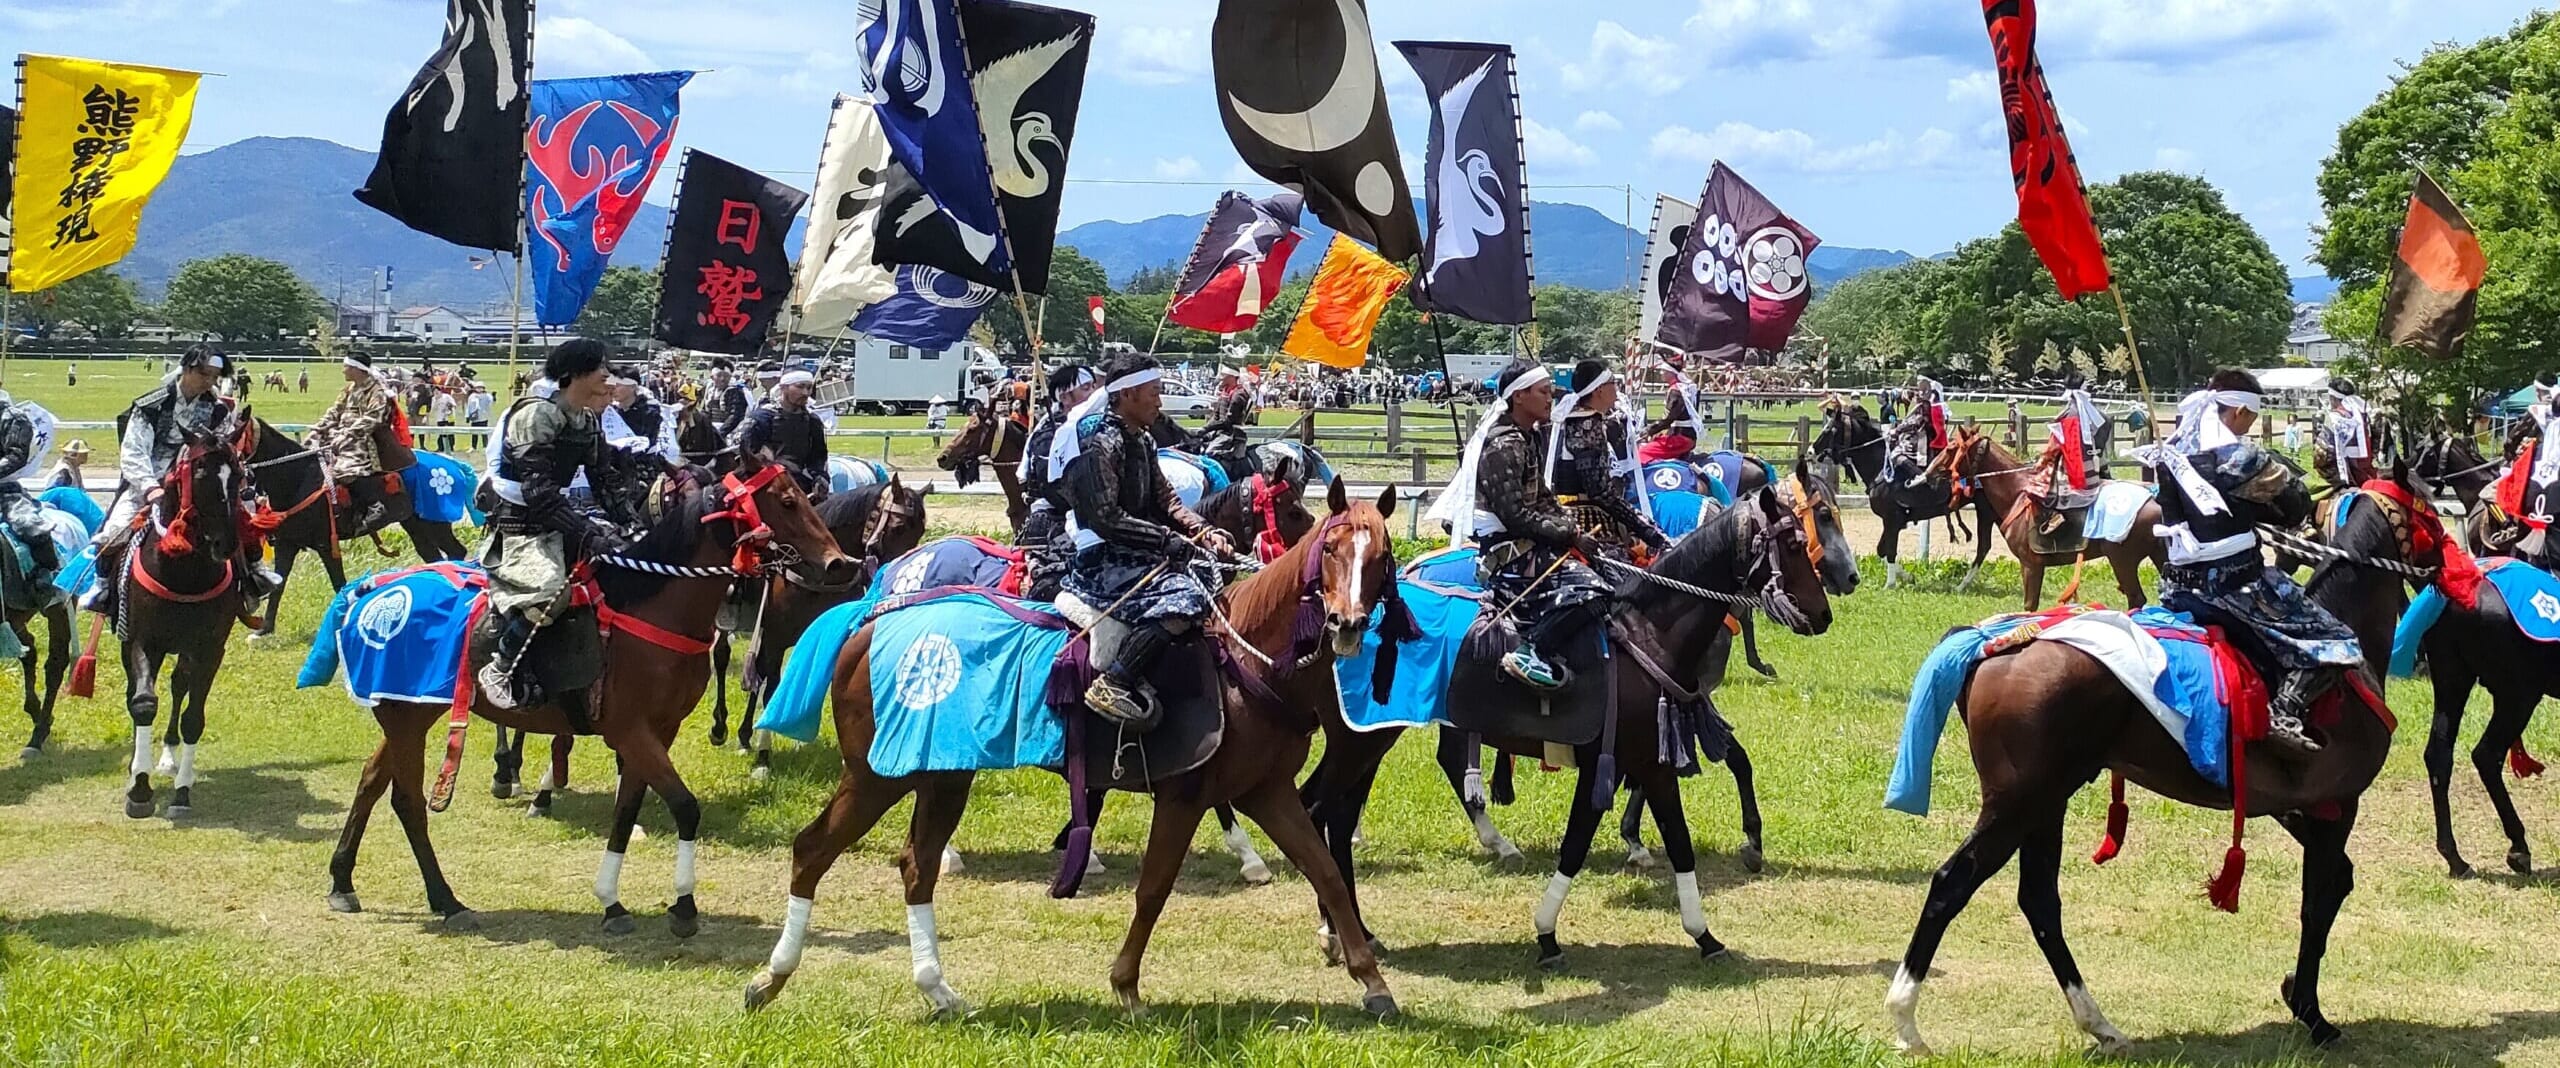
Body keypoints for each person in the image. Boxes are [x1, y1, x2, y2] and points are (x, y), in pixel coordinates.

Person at [2138, 369, 2345, 754]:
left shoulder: (2169, 451)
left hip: (2176, 586)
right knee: (2335, 640)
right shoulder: (2243, 457)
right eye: (2249, 417)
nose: (2249, 424)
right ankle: (2286, 712)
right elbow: (2293, 507)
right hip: (2234, 586)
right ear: (2237, 414)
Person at [1055, 353, 1234, 725]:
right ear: (1129, 394)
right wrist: (1168, 542)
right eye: (1154, 392)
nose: (1160, 401)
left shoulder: (1143, 440)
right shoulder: (1098, 445)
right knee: (1186, 597)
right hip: (1102, 560)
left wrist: (1204, 532)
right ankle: (1115, 681)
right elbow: (1106, 520)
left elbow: (1166, 499)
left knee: (1211, 572)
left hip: (1136, 551)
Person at [1427, 358, 1614, 690]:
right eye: (1542, 392)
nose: (1550, 398)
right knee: (1593, 590)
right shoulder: (1503, 445)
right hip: (1511, 553)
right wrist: (1569, 534)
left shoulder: (1528, 437)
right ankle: (1534, 650)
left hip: (1533, 542)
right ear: (1519, 397)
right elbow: (1515, 517)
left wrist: (1572, 528)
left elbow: (1542, 496)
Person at [478, 339, 638, 711]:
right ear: (574, 374)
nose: (607, 376)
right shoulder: (536, 415)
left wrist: (630, 526)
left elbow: (605, 480)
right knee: (552, 594)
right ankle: (501, 666)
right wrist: (586, 533)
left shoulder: (587, 420)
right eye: (600, 367)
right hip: (519, 531)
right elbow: (539, 492)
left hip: (555, 521)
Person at [91, 345, 274, 626]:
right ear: (187, 369)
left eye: (215, 376)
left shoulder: (216, 409)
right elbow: (133, 452)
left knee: (242, 516)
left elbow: (222, 447)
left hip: (199, 481)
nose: (210, 381)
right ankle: (102, 587)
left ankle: (254, 574)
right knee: (115, 530)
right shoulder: (150, 406)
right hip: (150, 481)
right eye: (205, 374)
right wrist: (151, 488)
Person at [1547, 359, 1669, 563]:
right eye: (1613, 383)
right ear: (1599, 390)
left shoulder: (1578, 419)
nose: (1617, 389)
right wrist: (1647, 530)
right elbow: (1600, 491)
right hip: (1586, 518)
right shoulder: (1587, 424)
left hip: (1572, 511)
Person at [307, 351, 417, 538]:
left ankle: (375, 506)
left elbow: (372, 418)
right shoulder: (349, 390)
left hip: (365, 440)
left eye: (347, 367)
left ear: (358, 369)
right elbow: (334, 413)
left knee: (346, 469)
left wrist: (347, 435)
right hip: (340, 437)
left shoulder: (377, 391)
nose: (344, 371)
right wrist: (317, 430)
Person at [1017, 362, 1097, 600]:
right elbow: (1054, 490)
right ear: (1066, 397)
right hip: (1056, 520)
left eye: (1093, 386)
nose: (1093, 392)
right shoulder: (1048, 435)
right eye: (1086, 388)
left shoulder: (1098, 423)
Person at [0, 393, 61, 598]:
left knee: (28, 525)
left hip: (4, 489)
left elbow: (16, 456)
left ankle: (47, 577)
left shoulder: (13, 418)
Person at [2033, 372, 2108, 534]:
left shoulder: (2068, 415)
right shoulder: (2091, 412)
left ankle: (2054, 515)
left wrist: (2041, 461)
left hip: (2072, 466)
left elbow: (2054, 446)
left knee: (2036, 485)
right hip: (2093, 460)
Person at [737, 370, 831, 496]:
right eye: (800, 387)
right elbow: (748, 455)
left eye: (808, 388)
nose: (805, 393)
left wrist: (819, 476)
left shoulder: (812, 421)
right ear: (783, 388)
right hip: (764, 484)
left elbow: (818, 456)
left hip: (802, 484)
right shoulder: (762, 419)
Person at [1888, 375, 1952, 487]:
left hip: (1924, 442)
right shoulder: (1923, 404)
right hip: (1917, 438)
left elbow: (1916, 421)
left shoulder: (1927, 405)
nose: (1916, 393)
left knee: (1896, 455)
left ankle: (1920, 476)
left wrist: (1897, 430)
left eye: (1919, 390)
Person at [1199, 368, 1259, 478]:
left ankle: (1220, 480)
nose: (1221, 377)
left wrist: (1206, 429)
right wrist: (1205, 429)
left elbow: (1228, 421)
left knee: (1209, 453)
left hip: (1231, 433)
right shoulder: (1225, 391)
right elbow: (1216, 415)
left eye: (1224, 375)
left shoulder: (1238, 395)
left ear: (1232, 377)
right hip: (1220, 431)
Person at [2319, 380, 2375, 488]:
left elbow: (2322, 454)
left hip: (2339, 477)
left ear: (2333, 399)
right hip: (2366, 474)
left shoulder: (2334, 418)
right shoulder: (2364, 416)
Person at [703, 360, 753, 441]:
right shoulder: (710, 390)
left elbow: (735, 416)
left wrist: (720, 433)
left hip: (730, 432)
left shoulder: (735, 391)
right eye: (719, 376)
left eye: (726, 376)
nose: (723, 379)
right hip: (711, 429)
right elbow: (705, 411)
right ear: (712, 377)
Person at [429, 382, 458, 454]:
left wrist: (449, 407)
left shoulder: (447, 396)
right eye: (434, 391)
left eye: (437, 391)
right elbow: (433, 409)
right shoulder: (434, 399)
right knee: (441, 433)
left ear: (440, 391)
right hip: (440, 418)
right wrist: (436, 400)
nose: (436, 392)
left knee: (450, 433)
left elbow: (454, 405)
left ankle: (451, 448)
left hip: (449, 417)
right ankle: (440, 447)